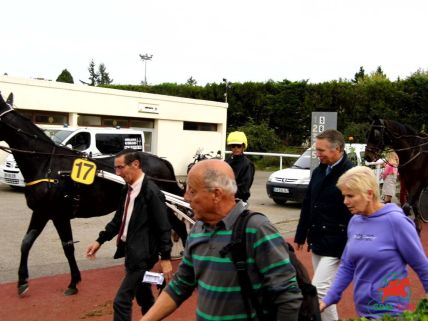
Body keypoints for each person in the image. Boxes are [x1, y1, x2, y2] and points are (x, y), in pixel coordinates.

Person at [139, 159, 302, 321]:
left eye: (192, 191)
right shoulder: (197, 229)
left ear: (216, 194)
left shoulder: (257, 228)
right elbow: (181, 284)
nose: (186, 197)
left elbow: (287, 296)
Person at [320, 166, 428, 318]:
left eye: (350, 196)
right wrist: (327, 299)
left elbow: (422, 265)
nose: (345, 201)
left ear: (369, 194)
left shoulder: (396, 221)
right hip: (364, 310)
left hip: (391, 312)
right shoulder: (355, 222)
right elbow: (347, 265)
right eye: (344, 196)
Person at [86, 150, 173, 321]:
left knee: (121, 301)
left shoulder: (152, 192)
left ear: (135, 164)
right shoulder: (127, 189)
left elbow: (164, 227)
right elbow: (119, 219)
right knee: (145, 298)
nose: (117, 173)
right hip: (130, 251)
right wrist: (100, 240)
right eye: (115, 168)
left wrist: (166, 258)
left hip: (142, 256)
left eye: (120, 168)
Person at [294, 129, 354, 321]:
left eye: (321, 150)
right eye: (316, 150)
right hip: (318, 239)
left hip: (337, 243)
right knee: (325, 295)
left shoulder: (350, 173)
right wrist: (301, 234)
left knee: (318, 291)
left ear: (337, 149)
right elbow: (309, 202)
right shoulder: (319, 170)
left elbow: (355, 212)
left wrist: (353, 244)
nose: (317, 154)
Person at [225, 131, 255, 202]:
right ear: (230, 147)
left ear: (243, 147)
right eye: (233, 146)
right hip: (226, 197)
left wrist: (229, 192)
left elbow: (244, 187)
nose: (236, 148)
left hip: (238, 200)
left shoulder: (247, 164)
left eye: (238, 146)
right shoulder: (227, 161)